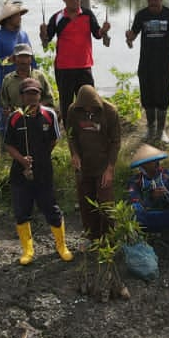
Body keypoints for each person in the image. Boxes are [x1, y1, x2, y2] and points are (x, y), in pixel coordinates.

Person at [4, 78, 72, 265]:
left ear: (40, 95)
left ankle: (61, 246)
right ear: (22, 96)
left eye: (35, 93)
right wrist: (22, 160)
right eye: (28, 93)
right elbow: (8, 145)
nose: (31, 97)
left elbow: (53, 140)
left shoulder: (49, 115)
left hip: (43, 171)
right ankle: (28, 250)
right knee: (21, 210)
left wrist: (41, 157)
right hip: (20, 172)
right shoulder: (15, 117)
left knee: (50, 207)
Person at [39, 0, 109, 124]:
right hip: (64, 68)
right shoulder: (57, 18)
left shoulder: (87, 14)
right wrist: (43, 34)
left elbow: (97, 34)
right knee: (66, 101)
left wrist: (104, 30)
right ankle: (70, 130)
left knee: (88, 99)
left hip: (84, 66)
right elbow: (46, 43)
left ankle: (89, 128)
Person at [124, 0, 169, 144]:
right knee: (147, 96)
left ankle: (161, 131)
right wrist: (128, 38)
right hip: (146, 63)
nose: (152, 2)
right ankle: (150, 128)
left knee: (163, 97)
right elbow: (132, 40)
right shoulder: (141, 15)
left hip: (164, 63)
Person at [66, 84, 122, 241]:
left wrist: (110, 168)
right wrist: (75, 154)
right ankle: (92, 235)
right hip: (83, 166)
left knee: (105, 202)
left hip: (103, 164)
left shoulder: (110, 111)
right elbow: (71, 136)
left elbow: (116, 141)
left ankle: (110, 237)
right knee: (85, 201)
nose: (88, 110)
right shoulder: (73, 111)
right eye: (85, 107)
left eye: (91, 107)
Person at [127, 145, 169, 236]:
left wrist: (167, 195)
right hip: (148, 218)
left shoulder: (168, 175)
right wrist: (151, 197)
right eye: (148, 162)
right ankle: (148, 235)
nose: (153, 163)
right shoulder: (136, 181)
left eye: (154, 161)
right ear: (142, 165)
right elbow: (134, 200)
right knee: (134, 210)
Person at [0, 0, 30, 135]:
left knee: (26, 116)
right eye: (17, 16)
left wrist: (34, 75)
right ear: (8, 19)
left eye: (20, 15)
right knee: (6, 118)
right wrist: (7, 60)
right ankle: (4, 150)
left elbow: (31, 57)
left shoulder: (23, 35)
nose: (20, 18)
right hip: (5, 85)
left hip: (24, 83)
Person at [0, 44, 55, 115]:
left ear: (31, 59)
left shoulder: (40, 76)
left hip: (39, 118)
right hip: (17, 120)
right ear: (14, 59)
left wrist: (36, 109)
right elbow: (4, 103)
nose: (23, 60)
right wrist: (9, 111)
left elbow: (49, 100)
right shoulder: (8, 79)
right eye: (20, 56)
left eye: (26, 56)